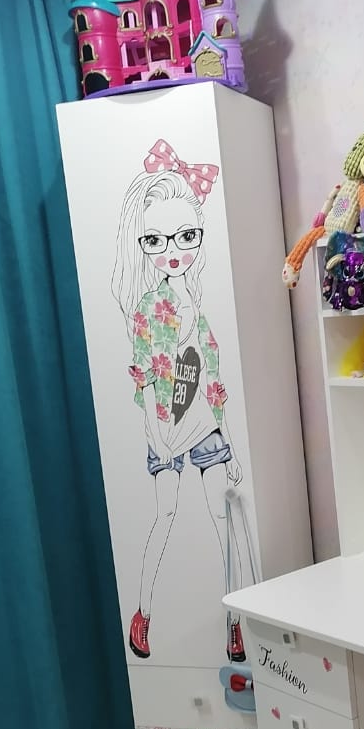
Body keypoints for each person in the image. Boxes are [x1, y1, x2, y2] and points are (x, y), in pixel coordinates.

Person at [112, 140, 243, 660]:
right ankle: (143, 613)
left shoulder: (198, 302)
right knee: (164, 516)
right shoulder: (150, 306)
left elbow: (210, 376)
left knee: (222, 518)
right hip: (167, 421)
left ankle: (235, 621)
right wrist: (157, 432)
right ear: (142, 244)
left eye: (186, 236)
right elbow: (147, 375)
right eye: (157, 240)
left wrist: (228, 439)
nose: (173, 250)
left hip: (203, 421)